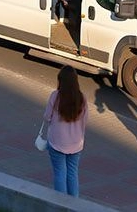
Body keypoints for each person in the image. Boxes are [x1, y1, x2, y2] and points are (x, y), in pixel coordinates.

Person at [41, 66, 88, 197]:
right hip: (76, 143)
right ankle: (74, 204)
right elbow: (85, 121)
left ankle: (60, 205)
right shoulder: (82, 99)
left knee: (59, 173)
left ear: (60, 81)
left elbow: (47, 117)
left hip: (57, 143)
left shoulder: (55, 96)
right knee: (72, 174)